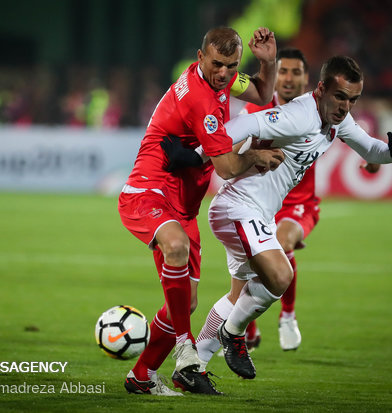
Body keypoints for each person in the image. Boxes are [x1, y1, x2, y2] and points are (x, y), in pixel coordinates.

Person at [166, 55, 392, 380]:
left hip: (257, 212)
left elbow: (370, 149)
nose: (345, 107)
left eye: (352, 100)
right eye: (340, 97)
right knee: (280, 277)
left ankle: (193, 368)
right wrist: (197, 155)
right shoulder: (298, 115)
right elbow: (247, 124)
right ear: (321, 88)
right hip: (239, 207)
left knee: (242, 293)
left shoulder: (337, 120)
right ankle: (233, 333)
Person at [118, 27, 284, 395]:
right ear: (200, 57)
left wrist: (268, 62)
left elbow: (261, 92)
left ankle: (142, 376)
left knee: (185, 303)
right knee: (175, 247)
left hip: (183, 205)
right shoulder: (200, 98)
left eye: (231, 66)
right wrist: (255, 155)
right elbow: (226, 168)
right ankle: (185, 351)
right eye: (217, 65)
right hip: (149, 190)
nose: (224, 73)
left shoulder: (220, 83)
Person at [234, 48, 380, 353]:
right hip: (261, 201)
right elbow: (234, 147)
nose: (288, 78)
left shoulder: (322, 109)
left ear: (309, 81)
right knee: (246, 265)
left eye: (296, 72)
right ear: (274, 78)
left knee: (281, 242)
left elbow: (363, 143)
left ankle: (287, 316)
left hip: (298, 203)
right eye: (283, 71)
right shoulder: (256, 113)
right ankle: (244, 327)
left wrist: (375, 159)